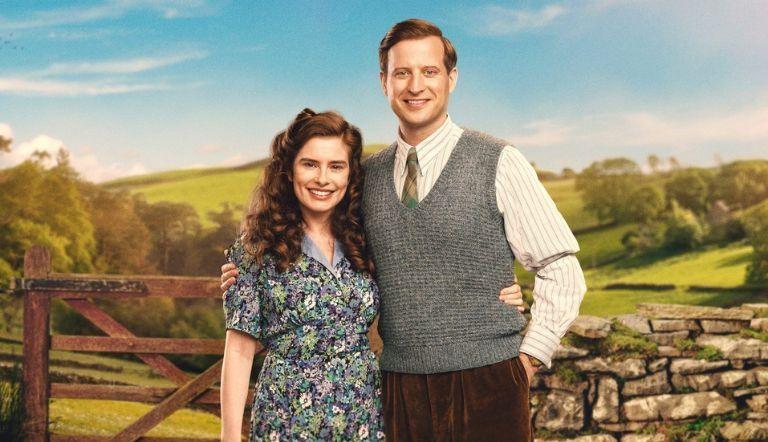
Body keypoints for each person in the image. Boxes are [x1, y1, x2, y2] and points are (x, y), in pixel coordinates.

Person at [222, 18, 571, 441]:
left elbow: (561, 267)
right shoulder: (363, 180)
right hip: (397, 386)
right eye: (402, 72)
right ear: (384, 81)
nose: (415, 86)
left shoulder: (498, 160)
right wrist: (244, 273)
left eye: (429, 71)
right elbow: (314, 261)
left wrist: (529, 357)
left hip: (489, 378)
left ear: (451, 78)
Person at [220, 109, 385, 441]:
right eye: (310, 164)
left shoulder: (366, 239)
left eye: (335, 166)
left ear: (350, 175)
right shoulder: (257, 248)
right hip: (287, 417)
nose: (323, 178)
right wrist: (229, 436)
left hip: (362, 416)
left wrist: (501, 294)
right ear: (289, 170)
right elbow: (239, 352)